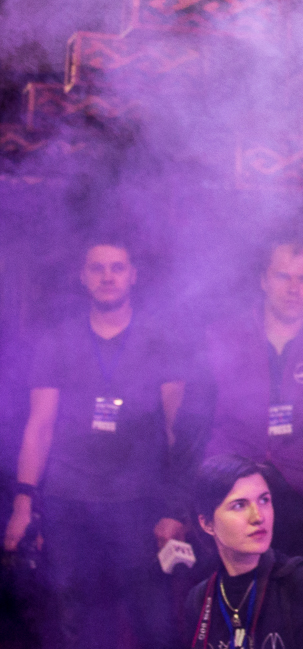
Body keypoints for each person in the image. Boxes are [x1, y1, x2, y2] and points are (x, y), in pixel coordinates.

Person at [3, 239, 187, 649]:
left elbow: (177, 429)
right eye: (97, 268)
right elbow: (39, 426)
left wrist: (177, 506)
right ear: (83, 277)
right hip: (69, 501)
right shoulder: (58, 340)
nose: (108, 277)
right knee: (76, 625)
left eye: (117, 267)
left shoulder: (161, 339)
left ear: (132, 275)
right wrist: (23, 503)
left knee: (154, 624)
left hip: (139, 501)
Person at [200, 241, 303, 577]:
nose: (293, 288)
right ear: (264, 280)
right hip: (234, 498)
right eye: (283, 276)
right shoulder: (223, 336)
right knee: (241, 602)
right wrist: (187, 499)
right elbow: (192, 422)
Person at [180, 454, 303, 649]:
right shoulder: (200, 600)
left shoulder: (302, 582)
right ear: (207, 523)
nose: (258, 517)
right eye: (239, 505)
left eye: (264, 500)